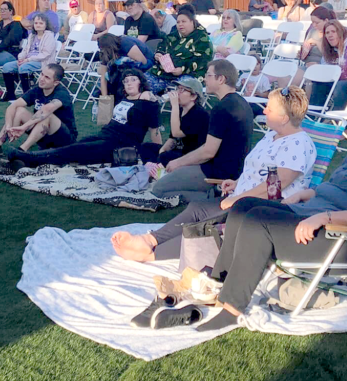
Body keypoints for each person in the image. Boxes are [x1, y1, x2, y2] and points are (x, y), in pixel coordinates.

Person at [169, 104, 347, 332]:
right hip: (313, 214)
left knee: (258, 226)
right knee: (244, 207)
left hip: (346, 242)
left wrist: (323, 217)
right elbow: (337, 186)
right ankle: (218, 281)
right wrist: (306, 194)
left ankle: (232, 308)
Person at [111, 86, 318, 263]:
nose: (264, 110)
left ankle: (151, 254)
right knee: (198, 209)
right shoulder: (272, 135)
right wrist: (237, 183)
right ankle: (150, 240)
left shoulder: (298, 144)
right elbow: (261, 172)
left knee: (212, 228)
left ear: (283, 118)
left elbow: (276, 186)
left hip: (268, 208)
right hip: (245, 198)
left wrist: (240, 197)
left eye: (269, 109)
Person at [5, 68, 160, 169]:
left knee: (75, 150)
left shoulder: (148, 102)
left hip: (121, 144)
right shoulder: (124, 99)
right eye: (125, 81)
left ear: (141, 82)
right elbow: (104, 116)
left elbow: (155, 131)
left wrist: (158, 154)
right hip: (105, 135)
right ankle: (30, 160)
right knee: (76, 148)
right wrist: (101, 77)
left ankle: (27, 157)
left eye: (133, 79)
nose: (128, 83)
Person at [150, 59, 254, 202]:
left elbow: (208, 152)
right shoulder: (242, 103)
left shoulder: (222, 108)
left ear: (221, 79)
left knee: (158, 189)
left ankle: (213, 195)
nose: (204, 78)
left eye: (208, 75)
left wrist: (178, 162)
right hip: (236, 170)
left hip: (217, 172)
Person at [0, 63, 77, 158]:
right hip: (44, 136)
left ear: (56, 82)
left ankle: (21, 152)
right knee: (19, 110)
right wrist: (9, 126)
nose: (41, 79)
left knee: (47, 115)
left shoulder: (62, 93)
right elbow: (12, 106)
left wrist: (24, 127)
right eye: (41, 74)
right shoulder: (38, 89)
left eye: (47, 77)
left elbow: (47, 110)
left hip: (64, 139)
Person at [138, 76, 209, 164]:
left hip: (190, 155)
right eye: (178, 89)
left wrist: (175, 105)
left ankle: (158, 171)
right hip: (177, 151)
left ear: (193, 96)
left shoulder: (199, 114)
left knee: (165, 157)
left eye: (182, 90)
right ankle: (154, 171)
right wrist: (162, 150)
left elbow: (177, 133)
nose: (177, 92)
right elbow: (172, 138)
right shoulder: (180, 110)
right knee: (146, 147)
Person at [146, 5, 213, 94]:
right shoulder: (173, 36)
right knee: (141, 83)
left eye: (183, 21)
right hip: (163, 73)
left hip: (189, 74)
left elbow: (202, 60)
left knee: (183, 89)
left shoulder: (202, 38)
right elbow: (162, 46)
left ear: (192, 22)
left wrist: (183, 69)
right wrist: (159, 54)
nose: (180, 24)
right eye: (178, 22)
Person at [0, 14, 58, 100]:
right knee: (7, 67)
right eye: (36, 23)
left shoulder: (49, 36)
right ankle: (10, 95)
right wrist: (21, 58)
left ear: (46, 25)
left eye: (41, 23)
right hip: (27, 60)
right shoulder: (32, 36)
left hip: (42, 62)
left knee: (24, 67)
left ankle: (27, 96)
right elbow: (25, 50)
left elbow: (46, 54)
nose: (38, 25)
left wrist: (27, 60)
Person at [96, 32, 155, 96]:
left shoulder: (125, 43)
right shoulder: (106, 53)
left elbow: (143, 62)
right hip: (129, 67)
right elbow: (103, 77)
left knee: (121, 73)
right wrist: (105, 97)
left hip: (147, 64)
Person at [321, 20, 347, 108]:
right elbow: (324, 68)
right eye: (327, 33)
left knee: (341, 85)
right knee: (319, 83)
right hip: (336, 78)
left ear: (340, 32)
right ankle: (314, 116)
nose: (330, 35)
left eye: (333, 31)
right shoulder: (329, 49)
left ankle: (336, 119)